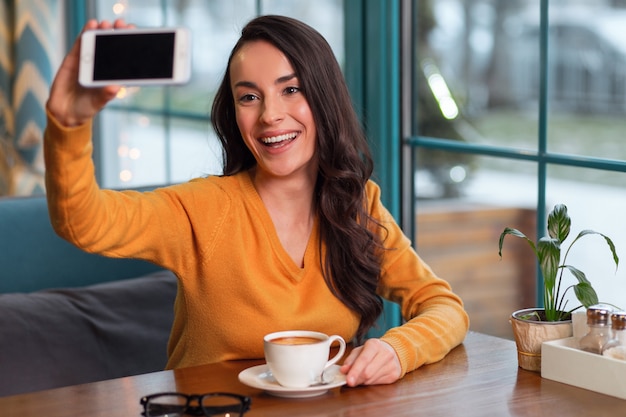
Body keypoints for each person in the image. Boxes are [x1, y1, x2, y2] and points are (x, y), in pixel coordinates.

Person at [44, 15, 469, 387]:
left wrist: (398, 350)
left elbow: (443, 306)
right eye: (249, 96)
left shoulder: (358, 205)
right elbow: (84, 221)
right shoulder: (205, 207)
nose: (269, 115)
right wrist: (68, 124)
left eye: (291, 90)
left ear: (323, 98)